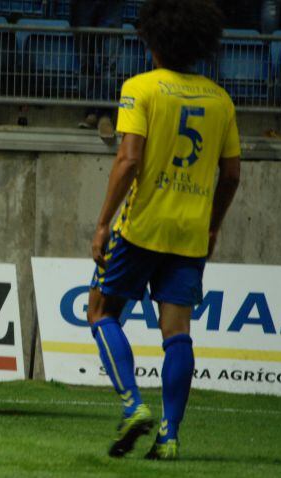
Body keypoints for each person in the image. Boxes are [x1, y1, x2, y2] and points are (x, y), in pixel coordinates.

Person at [86, 0, 241, 460]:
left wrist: (102, 224)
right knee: (177, 334)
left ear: (152, 38)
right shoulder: (220, 98)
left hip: (141, 226)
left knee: (101, 312)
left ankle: (133, 404)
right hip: (191, 232)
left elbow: (129, 158)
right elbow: (231, 174)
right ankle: (170, 437)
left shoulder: (141, 88)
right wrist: (212, 227)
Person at [71, 0, 123, 143]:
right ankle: (91, 111)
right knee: (85, 62)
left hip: (112, 5)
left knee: (110, 63)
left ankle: (104, 114)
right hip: (83, 5)